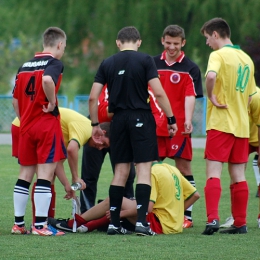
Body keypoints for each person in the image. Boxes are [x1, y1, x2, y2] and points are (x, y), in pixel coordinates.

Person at [88, 26, 177, 236]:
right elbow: (159, 93)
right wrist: (171, 118)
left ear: (118, 43)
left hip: (117, 120)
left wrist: (94, 125)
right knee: (144, 170)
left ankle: (113, 224)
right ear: (139, 42)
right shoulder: (146, 60)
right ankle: (142, 224)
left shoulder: (107, 62)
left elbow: (93, 97)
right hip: (141, 117)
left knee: (120, 172)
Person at [200, 18, 257, 235]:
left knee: (214, 171)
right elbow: (252, 96)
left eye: (207, 38)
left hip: (221, 123)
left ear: (216, 34)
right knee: (238, 174)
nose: (207, 43)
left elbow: (211, 75)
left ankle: (212, 219)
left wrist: (211, 95)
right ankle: (240, 223)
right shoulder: (246, 59)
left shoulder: (218, 55)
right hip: (242, 126)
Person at [11, 27, 68, 236]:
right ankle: (40, 226)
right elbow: (46, 80)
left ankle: (18, 224)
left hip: (26, 124)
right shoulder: (54, 63)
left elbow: (15, 99)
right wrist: (52, 102)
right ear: (60, 44)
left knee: (25, 173)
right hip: (45, 123)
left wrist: (23, 117)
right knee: (45, 173)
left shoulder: (24, 66)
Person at [11, 108, 111, 223]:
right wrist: (75, 178)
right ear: (102, 133)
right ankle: (40, 224)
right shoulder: (87, 129)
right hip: (27, 125)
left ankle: (45, 222)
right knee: (38, 175)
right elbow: (72, 149)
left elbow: (56, 163)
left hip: (23, 123)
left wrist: (67, 185)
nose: (100, 148)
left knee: (46, 174)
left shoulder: (72, 133)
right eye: (103, 144)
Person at [48, 162, 200, 234]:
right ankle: (87, 226)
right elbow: (195, 195)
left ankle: (73, 223)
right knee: (120, 204)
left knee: (112, 201)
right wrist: (177, 213)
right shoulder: (171, 168)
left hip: (157, 225)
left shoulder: (152, 172)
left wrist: (121, 213)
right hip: (174, 226)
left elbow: (147, 208)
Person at [150, 25, 203, 228]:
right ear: (162, 40)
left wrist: (188, 120)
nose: (172, 47)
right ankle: (151, 210)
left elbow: (190, 96)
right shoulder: (152, 64)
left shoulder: (191, 68)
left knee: (183, 168)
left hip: (179, 127)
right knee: (152, 168)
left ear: (183, 43)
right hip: (155, 126)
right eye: (168, 43)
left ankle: (186, 216)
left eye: (176, 43)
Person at [80, 86, 136, 212]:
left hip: (120, 131)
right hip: (98, 127)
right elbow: (103, 110)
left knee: (127, 175)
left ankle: (127, 212)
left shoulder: (132, 81)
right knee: (89, 176)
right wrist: (126, 104)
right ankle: (86, 214)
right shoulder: (110, 79)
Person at [220, 87, 260, 228]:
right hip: (242, 136)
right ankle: (235, 217)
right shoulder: (232, 93)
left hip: (255, 136)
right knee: (236, 175)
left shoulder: (256, 95)